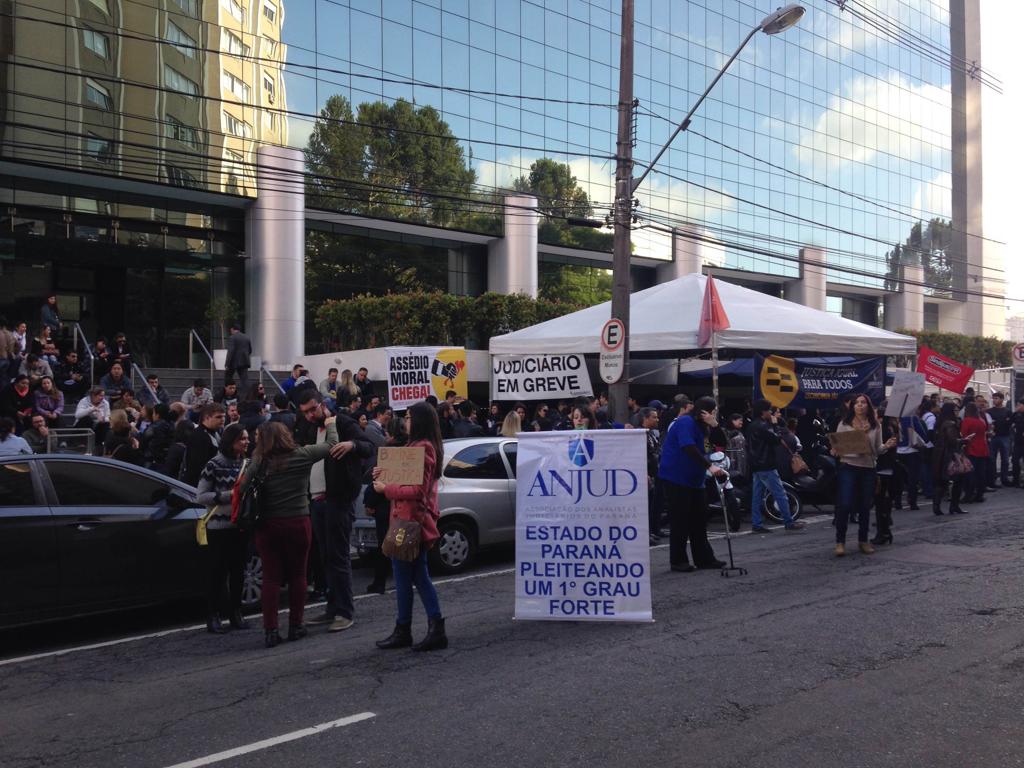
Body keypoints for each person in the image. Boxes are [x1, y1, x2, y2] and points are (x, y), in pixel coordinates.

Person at [239, 419, 339, 648]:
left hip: (268, 524)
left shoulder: (260, 461)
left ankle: (271, 630)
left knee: (271, 578)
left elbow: (243, 487)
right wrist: (331, 423)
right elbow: (332, 444)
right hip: (298, 520)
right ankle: (296, 625)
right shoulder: (302, 455)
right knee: (298, 575)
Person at [372, 401, 447, 652]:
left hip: (410, 521)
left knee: (411, 575)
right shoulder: (418, 446)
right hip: (407, 519)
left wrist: (386, 489)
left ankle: (414, 629)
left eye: (408, 416)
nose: (405, 420)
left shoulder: (424, 448)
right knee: (409, 575)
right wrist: (384, 474)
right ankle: (414, 628)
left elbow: (417, 490)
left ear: (419, 421)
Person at [295, 390, 372, 633]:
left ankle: (344, 611)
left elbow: (369, 447)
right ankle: (332, 607)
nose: (309, 415)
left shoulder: (343, 422)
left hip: (338, 499)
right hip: (316, 500)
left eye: (312, 409)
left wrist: (352, 445)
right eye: (304, 411)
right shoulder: (308, 428)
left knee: (338, 557)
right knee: (325, 557)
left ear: (322, 404)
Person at [658, 395, 727, 573]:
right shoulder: (685, 423)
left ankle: (704, 558)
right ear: (703, 411)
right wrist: (709, 466)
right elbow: (688, 447)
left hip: (695, 479)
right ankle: (678, 560)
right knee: (680, 520)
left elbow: (721, 443)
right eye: (712, 412)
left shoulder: (703, 425)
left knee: (699, 519)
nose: (713, 414)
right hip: (677, 477)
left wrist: (715, 425)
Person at [195, 422, 250, 634]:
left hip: (241, 525)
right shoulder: (213, 465)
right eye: (241, 439)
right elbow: (201, 496)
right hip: (218, 526)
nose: (246, 442)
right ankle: (213, 615)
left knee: (238, 572)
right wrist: (229, 496)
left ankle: (236, 613)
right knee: (217, 573)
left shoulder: (247, 463)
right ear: (231, 442)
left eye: (246, 438)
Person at [831, 394, 897, 556]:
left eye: (863, 403)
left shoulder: (875, 426)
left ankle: (863, 540)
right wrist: (835, 450)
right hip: (848, 466)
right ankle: (840, 542)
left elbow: (877, 449)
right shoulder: (844, 424)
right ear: (852, 406)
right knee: (845, 505)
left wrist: (886, 446)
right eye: (857, 403)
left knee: (865, 506)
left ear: (868, 406)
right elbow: (838, 447)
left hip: (868, 467)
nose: (860, 405)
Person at [747, 400, 805, 533]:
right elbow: (776, 439)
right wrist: (775, 425)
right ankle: (788, 522)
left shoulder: (751, 425)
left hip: (756, 465)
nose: (770, 413)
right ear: (763, 412)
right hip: (767, 464)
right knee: (780, 493)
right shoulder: (763, 426)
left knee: (757, 496)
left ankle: (756, 524)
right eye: (768, 410)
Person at [871, 407, 902, 546]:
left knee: (880, 502)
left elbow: (878, 449)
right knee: (885, 502)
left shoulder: (882, 429)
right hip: (891, 467)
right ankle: (885, 531)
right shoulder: (893, 427)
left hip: (882, 468)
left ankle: (882, 533)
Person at [932, 402, 966, 516]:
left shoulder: (940, 422)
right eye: (955, 410)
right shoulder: (950, 424)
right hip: (950, 455)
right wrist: (964, 440)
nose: (957, 412)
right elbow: (952, 440)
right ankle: (954, 506)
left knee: (941, 481)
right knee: (958, 479)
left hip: (940, 455)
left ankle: (936, 506)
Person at [182, 403, 225, 486]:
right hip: (199, 485)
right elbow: (197, 466)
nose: (223, 419)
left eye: (224, 416)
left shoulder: (215, 433)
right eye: (218, 417)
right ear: (207, 418)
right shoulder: (199, 436)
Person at [640, 407, 663, 545]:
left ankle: (650, 531)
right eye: (654, 417)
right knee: (646, 506)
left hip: (655, 473)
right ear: (645, 418)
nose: (657, 419)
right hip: (646, 475)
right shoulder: (639, 434)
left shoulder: (651, 434)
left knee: (653, 505)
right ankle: (645, 534)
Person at [960, 402, 990, 504]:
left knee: (970, 474)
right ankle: (979, 494)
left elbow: (964, 435)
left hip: (971, 448)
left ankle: (969, 494)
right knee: (981, 473)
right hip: (982, 448)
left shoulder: (967, 420)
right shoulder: (981, 420)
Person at [987, 391, 1012, 487]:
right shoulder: (989, 411)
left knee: (1005, 459)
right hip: (993, 438)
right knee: (992, 459)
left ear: (1002, 399)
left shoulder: (1007, 411)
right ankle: (992, 479)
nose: (994, 400)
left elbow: (1011, 423)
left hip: (1005, 437)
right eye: (993, 398)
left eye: (996, 398)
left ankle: (1004, 479)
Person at [140, 403, 174, 468]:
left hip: (150, 459)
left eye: (153, 413)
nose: (152, 415)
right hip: (165, 459)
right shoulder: (172, 425)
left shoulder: (154, 427)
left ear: (157, 415)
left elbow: (143, 441)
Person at [223, 323, 252, 390]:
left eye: (231, 330)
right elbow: (250, 350)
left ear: (233, 329)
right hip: (244, 361)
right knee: (244, 379)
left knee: (228, 377)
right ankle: (247, 393)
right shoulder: (247, 337)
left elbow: (230, 351)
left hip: (233, 362)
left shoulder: (232, 337)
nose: (231, 332)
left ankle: (228, 391)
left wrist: (227, 364)